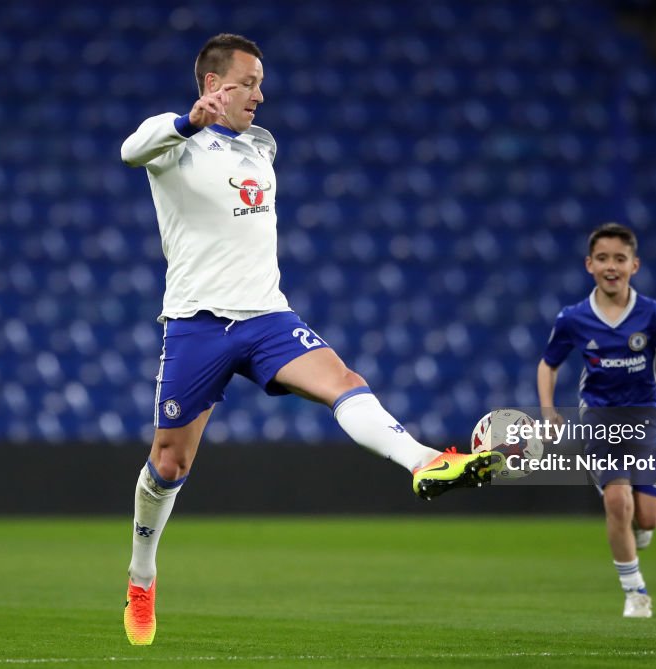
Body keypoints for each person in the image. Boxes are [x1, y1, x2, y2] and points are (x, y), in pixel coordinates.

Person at [118, 33, 503, 646]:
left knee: (344, 382)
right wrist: (187, 122)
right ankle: (142, 575)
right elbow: (130, 150)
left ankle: (426, 461)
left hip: (268, 316)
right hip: (196, 323)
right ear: (215, 85)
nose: (260, 96)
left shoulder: (261, 148)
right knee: (170, 462)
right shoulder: (172, 147)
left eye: (261, 83)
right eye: (249, 83)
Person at [536, 223, 656, 619]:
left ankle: (641, 531)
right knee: (618, 502)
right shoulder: (573, 318)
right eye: (602, 258)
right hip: (600, 416)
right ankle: (635, 592)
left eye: (619, 259)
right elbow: (548, 364)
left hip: (648, 416)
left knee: (649, 517)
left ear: (634, 265)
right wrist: (548, 409)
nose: (611, 266)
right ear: (589, 264)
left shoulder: (655, 314)